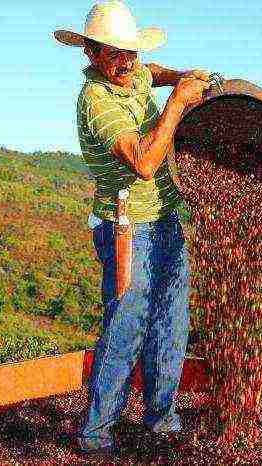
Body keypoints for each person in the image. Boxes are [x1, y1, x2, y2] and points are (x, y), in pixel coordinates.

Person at [52, 0, 210, 457]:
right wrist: (178, 104)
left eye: (131, 51)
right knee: (127, 324)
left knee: (171, 321)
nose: (127, 61)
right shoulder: (98, 102)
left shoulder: (134, 70)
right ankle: (96, 432)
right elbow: (144, 162)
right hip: (126, 228)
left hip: (164, 218)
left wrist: (181, 77)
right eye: (114, 53)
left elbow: (151, 72)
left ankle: (161, 417)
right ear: (91, 53)